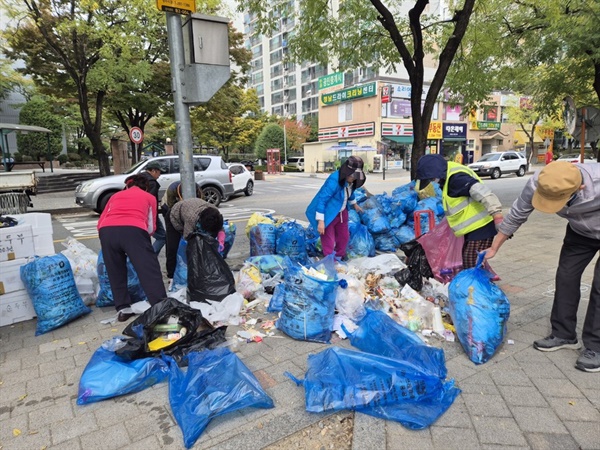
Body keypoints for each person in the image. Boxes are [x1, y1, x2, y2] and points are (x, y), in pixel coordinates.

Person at [485, 161, 600, 373]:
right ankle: (564, 334)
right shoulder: (540, 181)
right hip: (580, 233)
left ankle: (595, 346)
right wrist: (494, 247)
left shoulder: (597, 182)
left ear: (580, 188)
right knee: (565, 277)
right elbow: (517, 213)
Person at [97, 174, 167, 321]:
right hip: (133, 230)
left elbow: (101, 220)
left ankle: (123, 309)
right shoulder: (149, 197)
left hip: (107, 231)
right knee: (148, 269)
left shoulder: (115, 196)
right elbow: (151, 227)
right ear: (146, 187)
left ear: (127, 185)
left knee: (115, 271)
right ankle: (160, 307)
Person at [416, 153, 503, 268]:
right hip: (472, 228)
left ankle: (476, 285)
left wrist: (498, 217)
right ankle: (475, 284)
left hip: (482, 226)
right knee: (471, 262)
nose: (432, 181)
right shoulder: (447, 173)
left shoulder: (457, 179)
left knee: (472, 262)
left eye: (431, 178)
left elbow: (484, 194)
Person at [306, 156, 366, 260]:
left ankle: (339, 258)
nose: (354, 178)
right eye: (352, 175)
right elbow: (322, 199)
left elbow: (349, 192)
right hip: (328, 214)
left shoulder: (350, 181)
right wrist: (321, 221)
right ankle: (330, 263)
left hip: (342, 212)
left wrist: (354, 204)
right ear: (346, 172)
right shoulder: (334, 180)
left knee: (344, 237)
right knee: (328, 240)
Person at [161, 181, 203, 280]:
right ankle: (171, 273)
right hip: (171, 211)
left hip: (189, 213)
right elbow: (172, 209)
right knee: (173, 245)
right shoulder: (172, 190)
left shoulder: (198, 190)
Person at [140, 160, 166, 254]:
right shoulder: (152, 183)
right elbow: (150, 201)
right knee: (162, 237)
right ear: (154, 171)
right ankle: (151, 257)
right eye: (159, 172)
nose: (159, 175)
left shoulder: (137, 179)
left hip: (135, 215)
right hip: (148, 214)